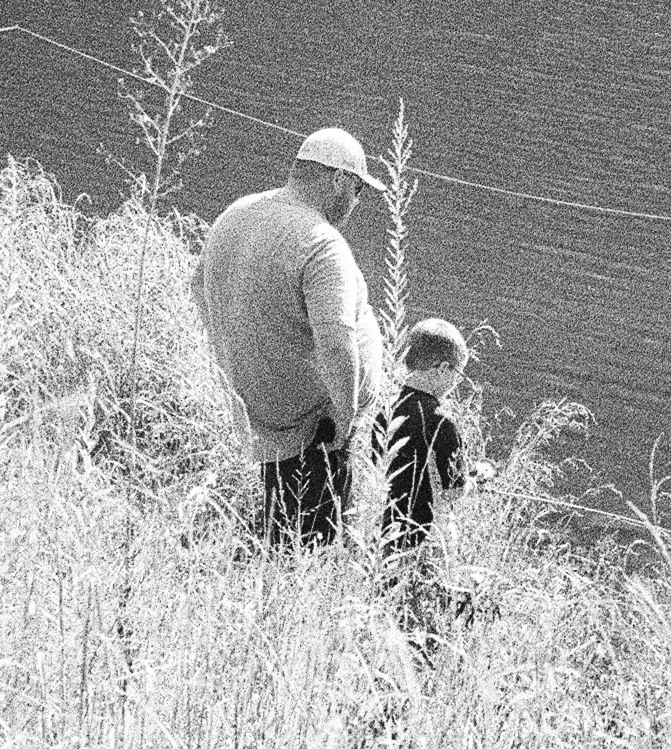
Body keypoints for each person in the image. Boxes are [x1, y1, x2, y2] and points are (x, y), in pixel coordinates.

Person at [192, 127, 387, 547]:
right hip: (315, 431)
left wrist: (236, 357)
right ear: (339, 179)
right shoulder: (321, 243)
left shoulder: (237, 213)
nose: (356, 202)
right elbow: (337, 343)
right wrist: (345, 418)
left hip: (264, 417)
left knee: (277, 530)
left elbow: (198, 287)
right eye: (358, 190)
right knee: (312, 545)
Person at [374, 318, 471, 571]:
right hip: (422, 541)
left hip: (380, 533)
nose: (456, 383)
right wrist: (474, 480)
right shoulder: (442, 422)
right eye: (458, 375)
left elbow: (375, 463)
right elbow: (454, 490)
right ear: (443, 368)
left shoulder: (385, 409)